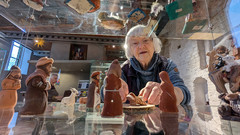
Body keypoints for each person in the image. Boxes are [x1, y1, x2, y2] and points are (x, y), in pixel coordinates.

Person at [101, 25, 191, 110]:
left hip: (161, 121)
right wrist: (110, 88)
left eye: (145, 40)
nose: (141, 46)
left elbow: (184, 94)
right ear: (130, 50)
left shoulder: (167, 65)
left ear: (154, 44)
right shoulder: (124, 69)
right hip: (131, 122)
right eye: (135, 43)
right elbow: (104, 96)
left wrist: (170, 92)